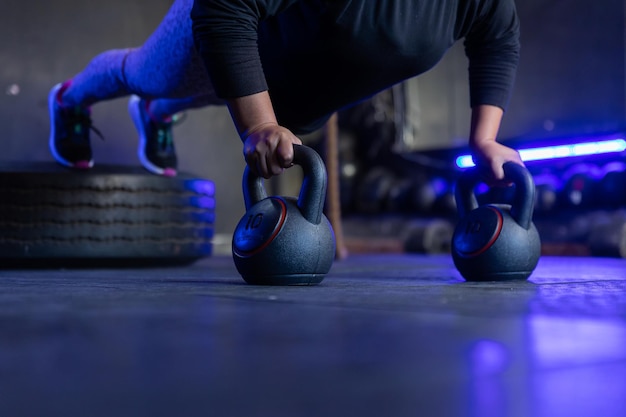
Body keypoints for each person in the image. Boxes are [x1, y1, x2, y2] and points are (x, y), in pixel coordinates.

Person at [50, 0, 523, 183]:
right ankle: (70, 100)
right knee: (147, 75)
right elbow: (224, 9)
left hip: (283, 78)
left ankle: (156, 115)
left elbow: (498, 40)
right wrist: (258, 123)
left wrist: (484, 138)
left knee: (214, 94)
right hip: (220, 32)